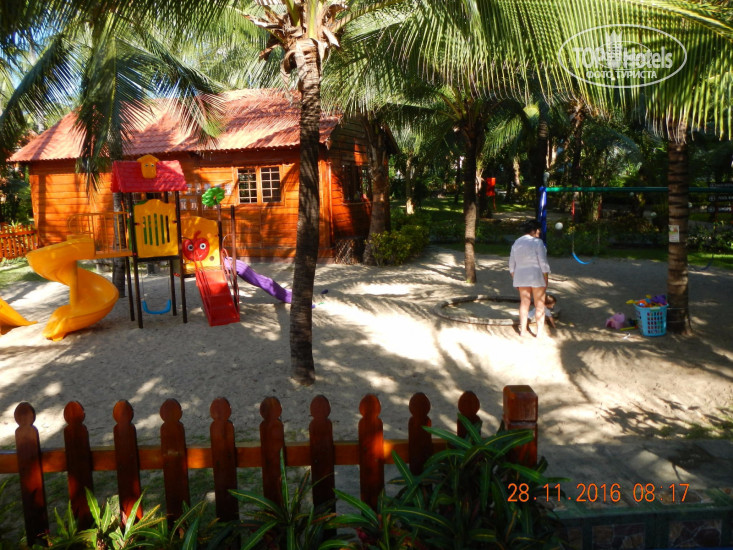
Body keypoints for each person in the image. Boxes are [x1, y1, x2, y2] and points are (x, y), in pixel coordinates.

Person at [509, 219, 551, 337]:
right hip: (536, 275)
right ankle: (539, 332)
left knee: (524, 303)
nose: (540, 232)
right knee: (539, 304)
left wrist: (515, 278)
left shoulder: (517, 242)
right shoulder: (538, 242)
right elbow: (543, 263)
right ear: (534, 230)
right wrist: (546, 277)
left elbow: (511, 265)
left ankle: (523, 331)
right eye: (539, 230)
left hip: (521, 276)